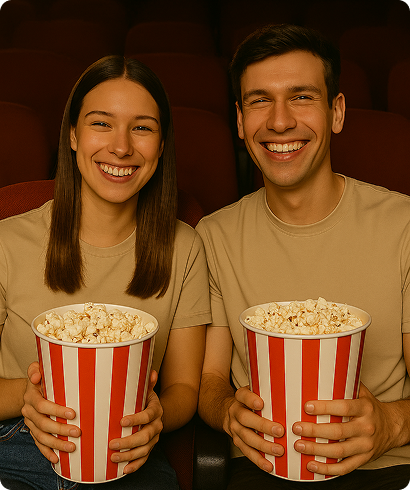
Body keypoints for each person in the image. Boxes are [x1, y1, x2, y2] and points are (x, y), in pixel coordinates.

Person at [195, 24, 410, 489]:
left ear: (336, 112)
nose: (279, 122)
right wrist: (227, 412)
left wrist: (390, 426)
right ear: (238, 121)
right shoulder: (213, 236)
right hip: (262, 468)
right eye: (259, 101)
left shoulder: (404, 226)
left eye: (301, 97)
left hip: (387, 469)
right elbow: (211, 380)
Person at [0, 55, 211, 490]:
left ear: (162, 144)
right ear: (73, 136)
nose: (121, 147)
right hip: (16, 446)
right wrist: (27, 397)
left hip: (132, 456)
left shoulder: (187, 247)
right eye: (101, 124)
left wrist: (157, 417)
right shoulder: (6, 241)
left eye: (142, 127)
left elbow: (185, 389)